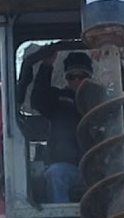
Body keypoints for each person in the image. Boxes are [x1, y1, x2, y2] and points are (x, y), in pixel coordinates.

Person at [31, 49, 92, 203]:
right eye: (72, 76)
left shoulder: (102, 99)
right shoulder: (58, 99)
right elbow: (37, 100)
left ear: (90, 77)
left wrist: (121, 62)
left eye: (82, 76)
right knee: (55, 173)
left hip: (98, 168)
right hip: (68, 167)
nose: (77, 81)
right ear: (66, 78)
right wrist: (46, 66)